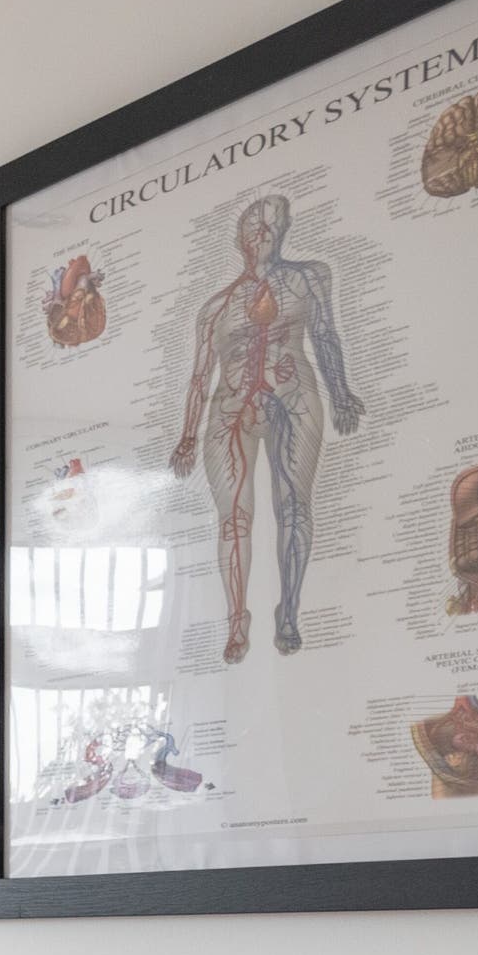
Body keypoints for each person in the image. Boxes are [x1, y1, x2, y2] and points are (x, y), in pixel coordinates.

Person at [170, 193, 364, 661]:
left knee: (294, 505)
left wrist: (340, 392)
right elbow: (200, 376)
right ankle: (238, 618)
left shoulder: (308, 278)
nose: (263, 234)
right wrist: (187, 436)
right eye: (254, 227)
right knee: (234, 517)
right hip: (230, 409)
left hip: (292, 395)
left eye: (272, 226)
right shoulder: (215, 308)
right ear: (240, 239)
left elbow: (324, 335)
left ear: (284, 232)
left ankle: (290, 608)